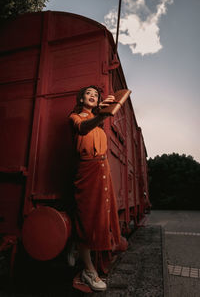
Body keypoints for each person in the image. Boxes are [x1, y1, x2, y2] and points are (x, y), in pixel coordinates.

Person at [69, 85, 121, 291]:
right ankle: (88, 272)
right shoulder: (75, 117)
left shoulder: (98, 127)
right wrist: (103, 114)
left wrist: (102, 113)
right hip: (86, 171)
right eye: (88, 94)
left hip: (102, 169)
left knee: (100, 216)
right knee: (87, 217)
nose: (93, 96)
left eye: (96, 94)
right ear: (81, 99)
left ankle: (78, 248)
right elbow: (83, 128)